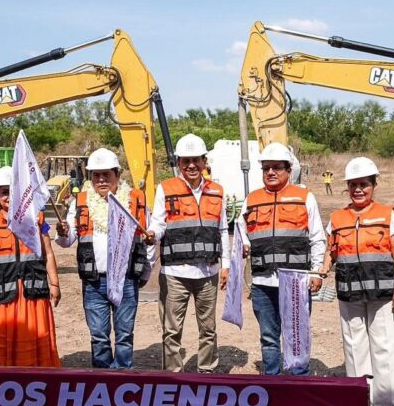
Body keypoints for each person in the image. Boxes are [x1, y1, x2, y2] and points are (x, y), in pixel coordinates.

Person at [320, 157, 394, 406]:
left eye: (364, 184)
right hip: (349, 295)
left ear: (374, 185)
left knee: (384, 349)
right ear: (347, 187)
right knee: (354, 350)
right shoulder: (337, 218)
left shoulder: (387, 214)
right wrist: (322, 271)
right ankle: (359, 402)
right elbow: (330, 250)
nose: (359, 189)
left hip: (383, 296)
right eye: (354, 185)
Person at [56, 148, 151, 369]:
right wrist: (62, 232)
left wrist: (145, 272)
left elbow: (147, 238)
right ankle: (102, 382)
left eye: (106, 174)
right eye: (95, 175)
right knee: (98, 336)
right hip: (94, 282)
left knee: (124, 336)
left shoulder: (134, 200)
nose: (101, 180)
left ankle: (122, 382)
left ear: (117, 175)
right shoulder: (80, 202)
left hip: (126, 280)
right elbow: (67, 240)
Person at [237, 142, 325, 375]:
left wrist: (316, 272)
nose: (271, 172)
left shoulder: (305, 197)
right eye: (266, 168)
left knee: (296, 334)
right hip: (263, 282)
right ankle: (273, 383)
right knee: (268, 336)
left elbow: (317, 237)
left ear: (288, 169)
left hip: (295, 281)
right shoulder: (252, 199)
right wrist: (245, 243)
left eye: (277, 167)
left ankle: (299, 383)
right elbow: (240, 230)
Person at [144, 134, 229, 373]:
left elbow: (223, 229)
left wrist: (226, 265)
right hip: (175, 274)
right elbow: (158, 223)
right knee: (171, 330)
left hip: (208, 273)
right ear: (178, 163)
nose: (191, 165)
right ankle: (173, 377)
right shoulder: (166, 188)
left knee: (208, 329)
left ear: (204, 161)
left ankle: (207, 372)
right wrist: (152, 233)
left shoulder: (217, 191)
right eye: (185, 161)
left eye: (196, 160)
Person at [0, 166, 62, 367]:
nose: (9, 197)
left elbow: (48, 253)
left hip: (31, 298)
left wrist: (55, 284)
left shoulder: (36, 219)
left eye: (13, 191)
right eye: (4, 192)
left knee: (33, 349)